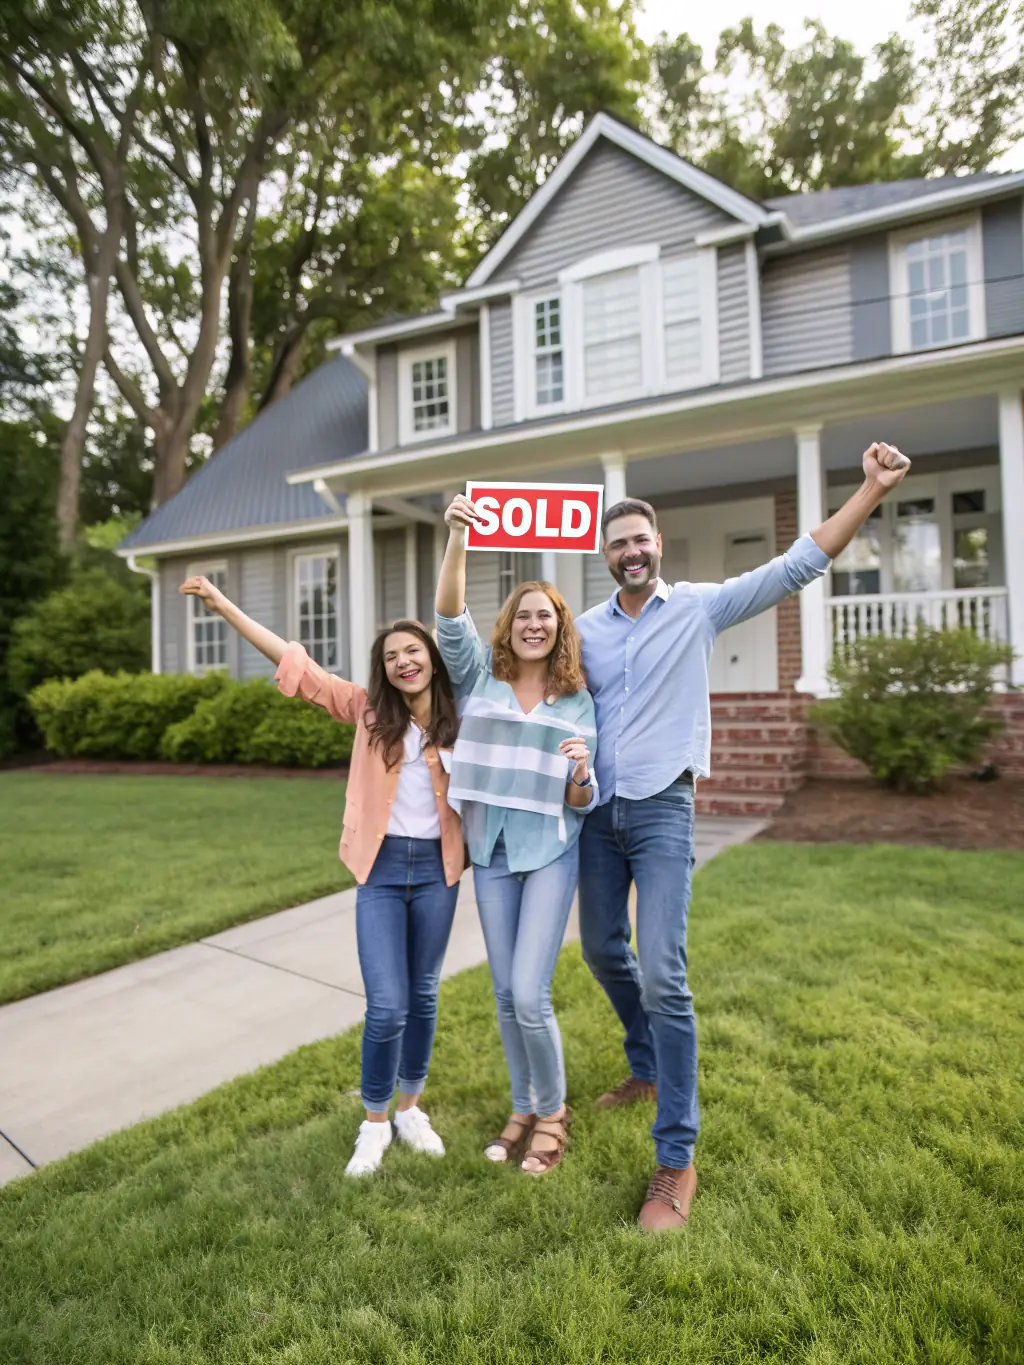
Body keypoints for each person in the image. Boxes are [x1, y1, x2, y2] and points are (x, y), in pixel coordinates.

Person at [575, 440, 913, 1231]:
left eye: (640, 539)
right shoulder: (582, 630)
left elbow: (797, 564)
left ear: (658, 546)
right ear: (604, 554)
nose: (630, 550)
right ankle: (647, 1062)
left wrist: (868, 491)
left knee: (664, 972)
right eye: (617, 541)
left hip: (662, 809)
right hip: (593, 815)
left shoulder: (698, 605)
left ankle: (676, 1158)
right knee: (599, 949)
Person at [179, 576, 464, 1179]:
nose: (403, 662)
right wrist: (223, 604)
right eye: (391, 657)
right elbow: (295, 664)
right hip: (382, 873)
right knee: (387, 1006)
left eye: (413, 651)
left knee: (424, 996)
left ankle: (410, 1109)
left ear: (432, 659)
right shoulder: (367, 711)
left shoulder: (462, 716)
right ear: (382, 672)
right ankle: (374, 1124)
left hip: (440, 870)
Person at [434, 494, 597, 1175]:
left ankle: (554, 1112)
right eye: (524, 615)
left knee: (531, 992)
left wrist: (581, 773)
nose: (534, 624)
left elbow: (584, 799)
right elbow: (447, 618)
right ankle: (522, 1103)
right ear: (510, 627)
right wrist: (458, 536)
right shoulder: (481, 680)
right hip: (493, 852)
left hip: (551, 850)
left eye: (546, 616)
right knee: (504, 992)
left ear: (560, 630)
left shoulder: (578, 699)